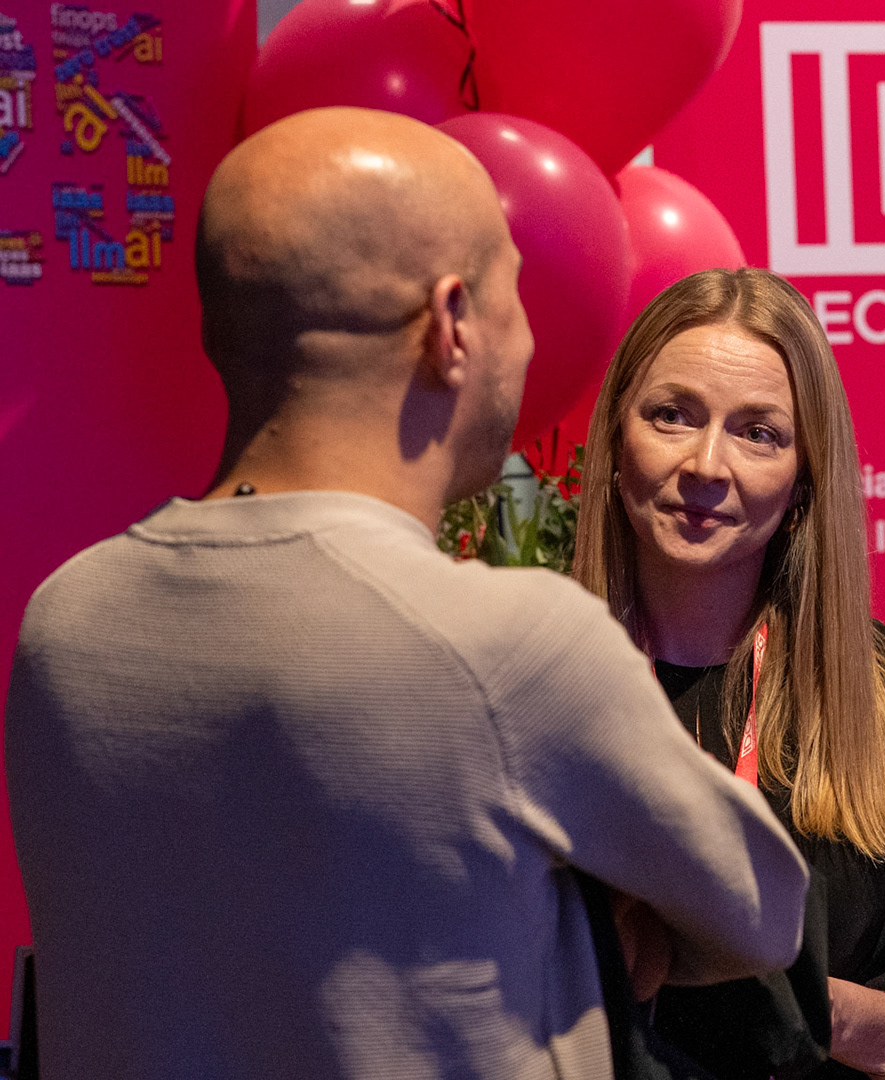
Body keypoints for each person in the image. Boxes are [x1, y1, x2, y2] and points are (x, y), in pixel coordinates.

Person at [5, 108, 809, 1079]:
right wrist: (598, 916)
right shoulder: (512, 646)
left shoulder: (64, 623)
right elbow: (763, 911)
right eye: (517, 291)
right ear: (451, 325)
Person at [571, 268, 885, 1080]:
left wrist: (810, 1009)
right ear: (616, 440)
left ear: (804, 480)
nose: (706, 463)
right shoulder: (529, 683)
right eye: (672, 415)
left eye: (758, 433)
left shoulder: (884, 692)